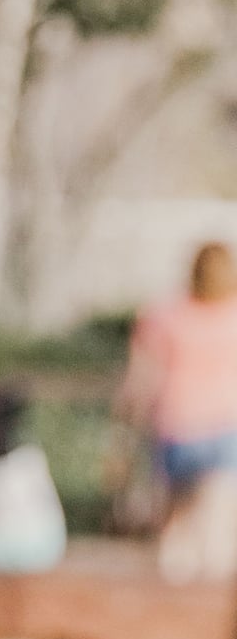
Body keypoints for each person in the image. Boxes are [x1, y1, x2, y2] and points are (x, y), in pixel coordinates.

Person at [123, 239, 237, 581]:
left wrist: (128, 422)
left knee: (175, 529)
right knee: (218, 530)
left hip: (176, 426)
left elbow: (142, 376)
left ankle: (170, 605)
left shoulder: (164, 314)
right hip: (225, 426)